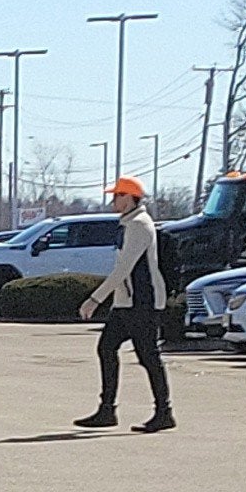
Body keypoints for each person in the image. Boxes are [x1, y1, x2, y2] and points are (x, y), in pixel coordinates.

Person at [76, 178, 174, 433]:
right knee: (106, 348)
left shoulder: (140, 225)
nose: (113, 200)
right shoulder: (129, 224)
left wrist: (95, 299)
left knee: (148, 356)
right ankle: (107, 410)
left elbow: (124, 269)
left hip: (143, 301)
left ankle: (164, 412)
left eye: (117, 195)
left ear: (130, 198)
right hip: (126, 302)